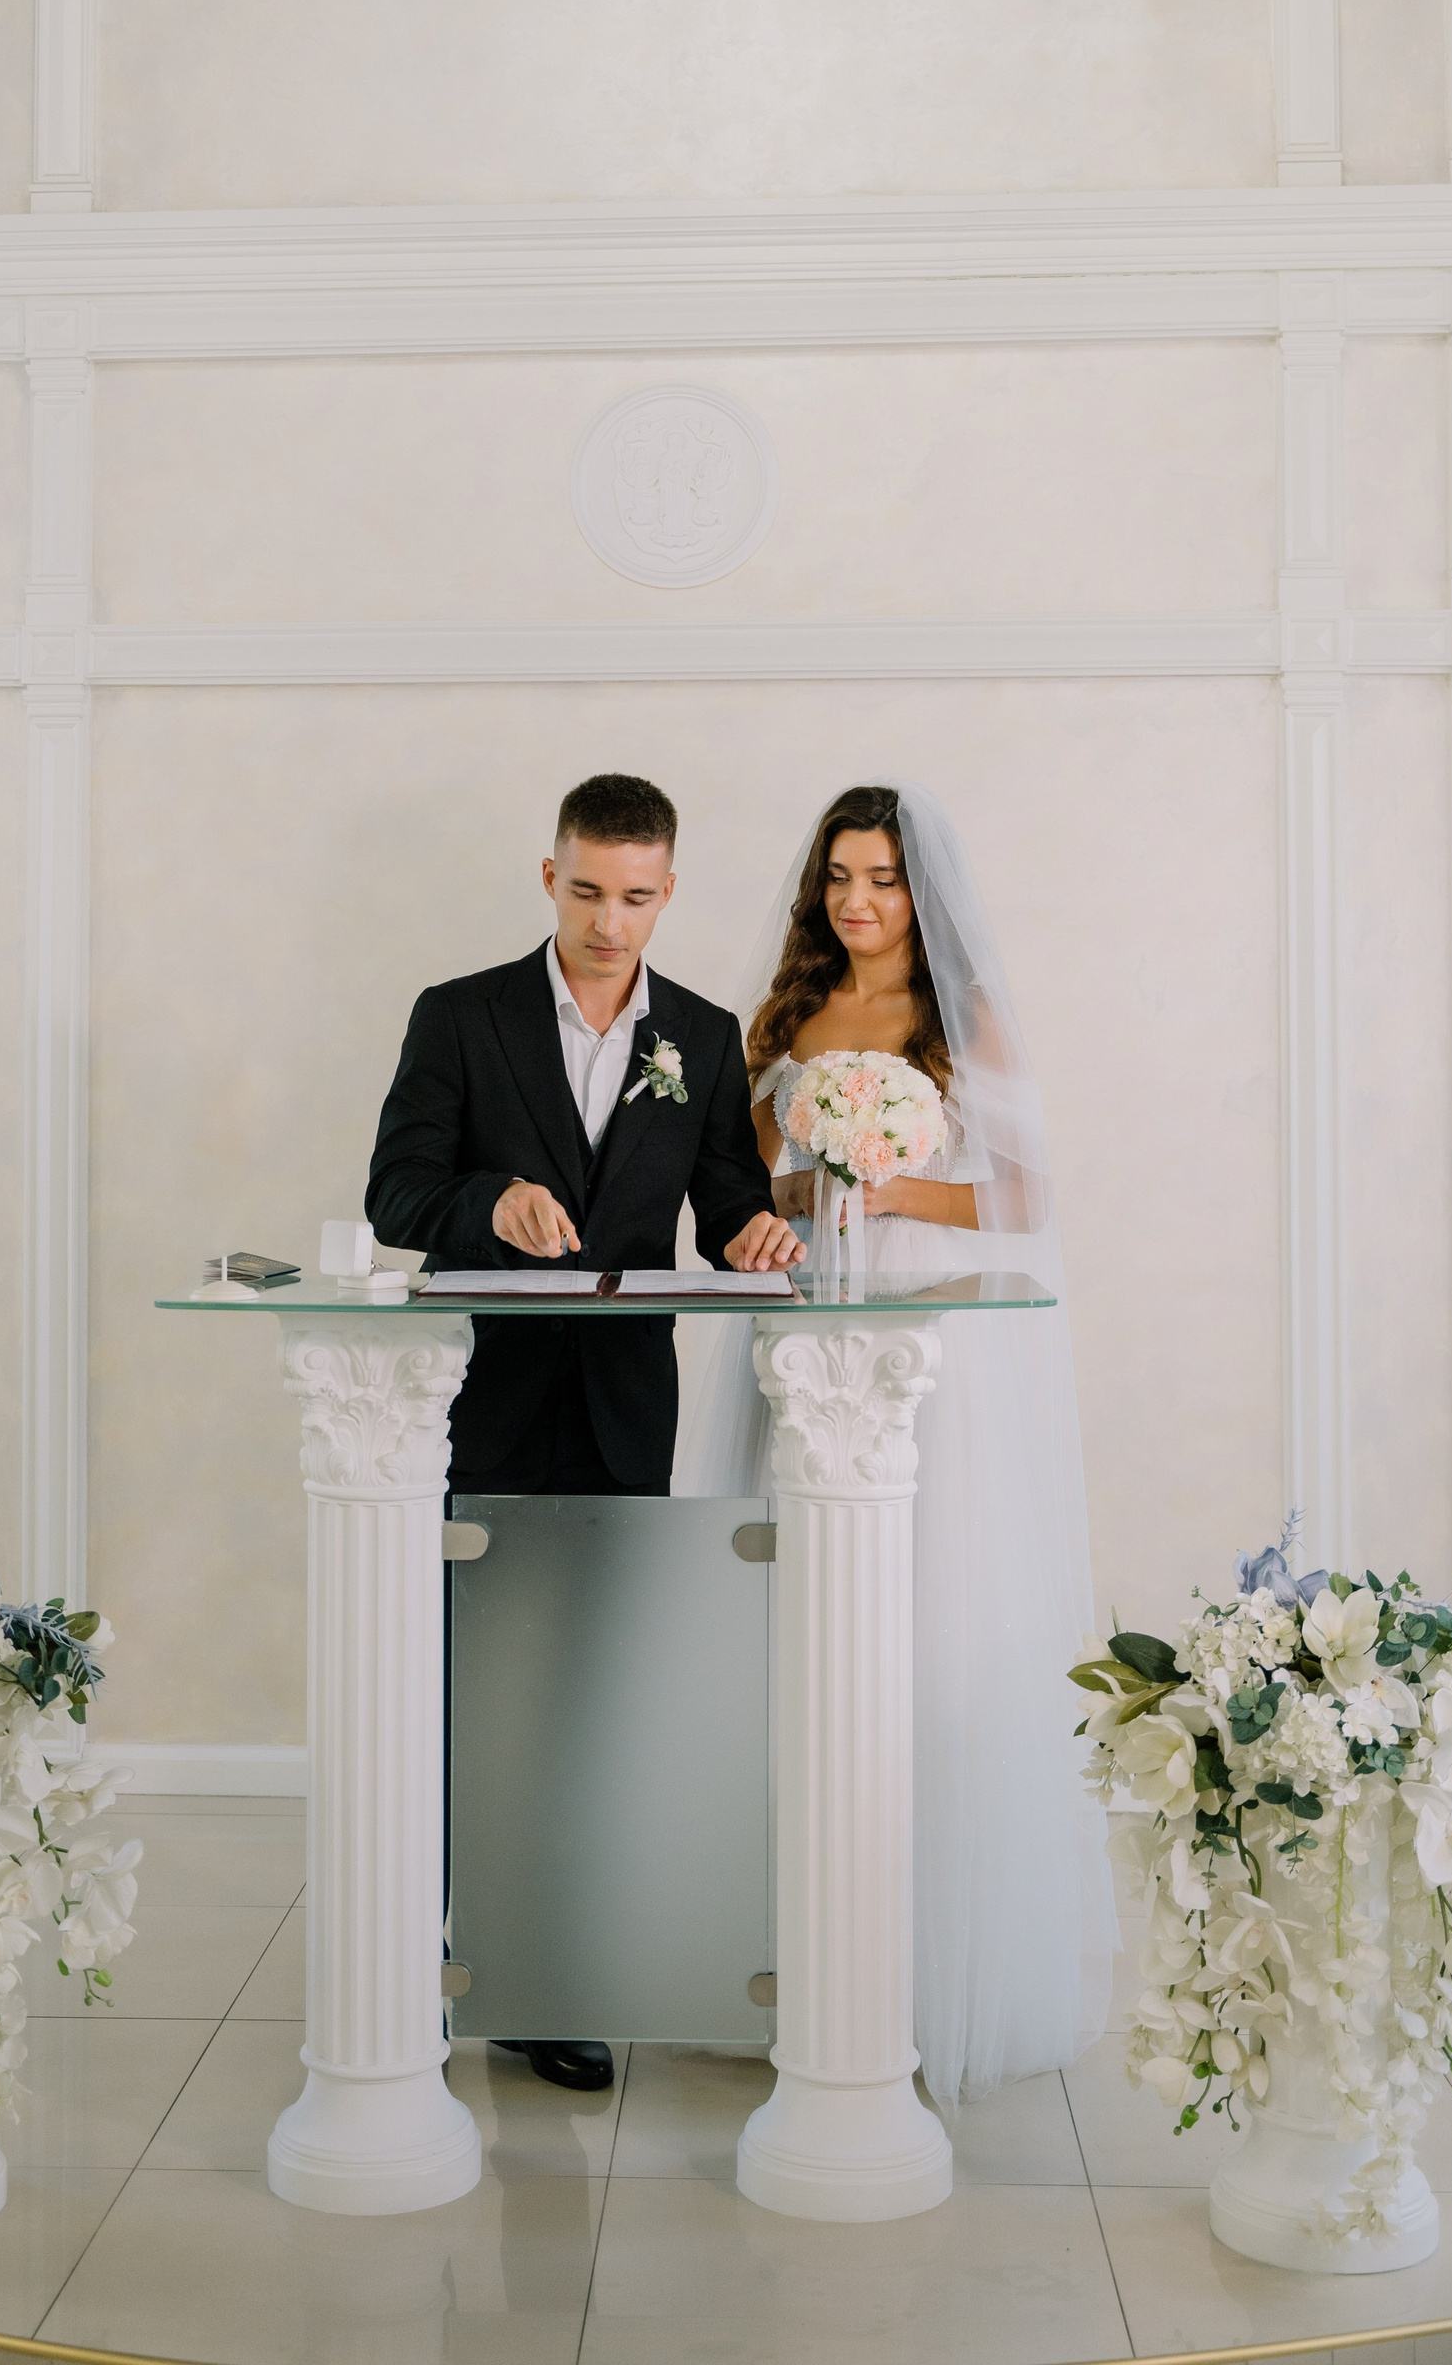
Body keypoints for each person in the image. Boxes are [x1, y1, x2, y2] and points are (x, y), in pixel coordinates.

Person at [675, 780, 1115, 2107]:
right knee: (791, 1624)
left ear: (922, 895)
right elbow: (749, 1176)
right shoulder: (789, 1016)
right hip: (805, 1320)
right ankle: (786, 1957)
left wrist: (887, 1184)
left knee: (920, 1622)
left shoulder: (961, 1018)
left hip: (925, 1338)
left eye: (881, 879)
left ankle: (925, 1967)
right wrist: (797, 1193)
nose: (856, 902)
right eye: (839, 878)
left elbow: (1024, 1196)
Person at [366, 770, 802, 2091]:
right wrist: (490, 1201)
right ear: (548, 876)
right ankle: (430, 1955)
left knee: (590, 1696)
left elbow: (724, 1201)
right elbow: (397, 1192)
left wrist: (755, 1232)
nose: (612, 924)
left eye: (638, 898)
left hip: (623, 1412)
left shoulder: (704, 1036)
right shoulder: (460, 1016)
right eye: (589, 892)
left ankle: (552, 1970)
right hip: (481, 1405)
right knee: (466, 1685)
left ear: (669, 892)